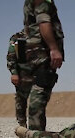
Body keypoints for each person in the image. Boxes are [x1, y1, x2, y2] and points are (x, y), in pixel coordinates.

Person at [23, 0, 65, 130]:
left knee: (41, 88)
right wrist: (53, 48)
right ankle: (35, 136)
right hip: (43, 51)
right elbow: (44, 22)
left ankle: (36, 134)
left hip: (37, 51)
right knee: (41, 89)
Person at [7, 30, 34, 127]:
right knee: (21, 100)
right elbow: (11, 55)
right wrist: (14, 73)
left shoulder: (41, 34)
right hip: (23, 74)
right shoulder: (18, 36)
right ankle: (22, 126)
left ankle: (36, 128)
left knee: (37, 101)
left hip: (38, 72)